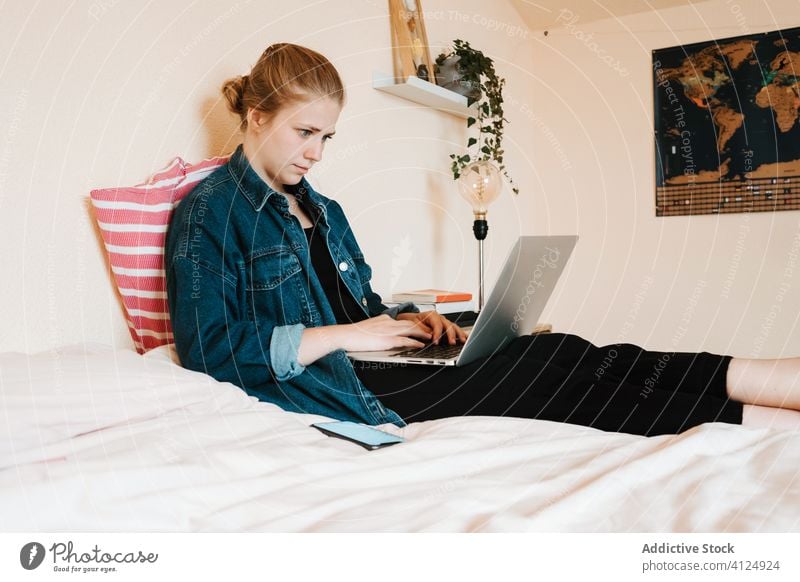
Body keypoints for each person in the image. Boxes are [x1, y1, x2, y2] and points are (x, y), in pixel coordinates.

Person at [165, 43, 800, 437]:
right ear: (255, 116)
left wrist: (411, 322)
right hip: (340, 385)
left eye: (326, 137)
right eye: (305, 132)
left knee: (555, 348)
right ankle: (761, 422)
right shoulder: (210, 213)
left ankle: (766, 378)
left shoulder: (322, 209)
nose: (316, 153)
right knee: (542, 379)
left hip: (374, 361)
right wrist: (348, 338)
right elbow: (207, 349)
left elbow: (355, 306)